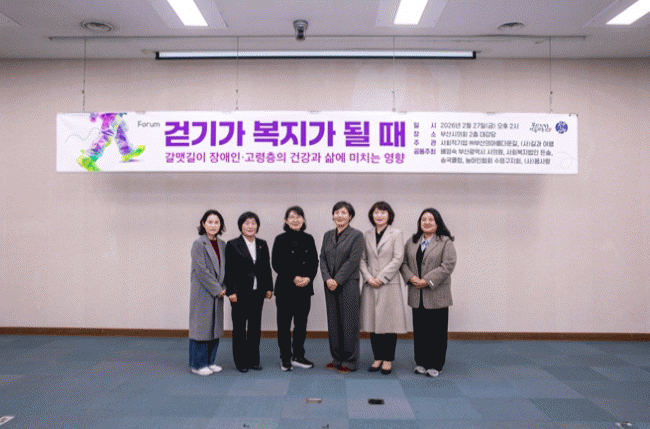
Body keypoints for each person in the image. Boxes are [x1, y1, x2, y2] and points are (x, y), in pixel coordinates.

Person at [401, 208, 457, 378]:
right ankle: (421, 362)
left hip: (436, 294)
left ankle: (436, 364)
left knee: (437, 332)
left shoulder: (445, 242)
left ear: (437, 223)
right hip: (416, 294)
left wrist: (427, 280)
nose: (426, 222)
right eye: (423, 219)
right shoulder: (412, 241)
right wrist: (411, 278)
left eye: (431, 220)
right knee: (420, 331)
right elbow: (403, 262)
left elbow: (448, 265)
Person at [360, 201, 407, 375]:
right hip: (370, 284)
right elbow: (362, 259)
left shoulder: (396, 233)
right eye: (376, 213)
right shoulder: (367, 234)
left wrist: (380, 278)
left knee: (389, 324)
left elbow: (398, 258)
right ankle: (377, 357)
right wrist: (368, 278)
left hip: (388, 284)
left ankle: (388, 359)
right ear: (372, 215)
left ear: (389, 215)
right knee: (373, 323)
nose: (379, 216)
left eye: (383, 213)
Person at [225, 211, 273, 372]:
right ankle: (241, 362)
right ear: (241, 226)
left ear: (257, 226)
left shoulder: (262, 244)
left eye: (253, 223)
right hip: (239, 293)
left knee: (254, 328)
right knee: (239, 329)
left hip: (257, 293)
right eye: (246, 223)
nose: (250, 226)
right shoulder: (232, 244)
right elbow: (229, 270)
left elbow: (266, 267)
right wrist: (231, 291)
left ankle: (254, 360)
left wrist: (269, 287)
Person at [272, 206, 319, 371]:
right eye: (291, 217)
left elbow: (314, 262)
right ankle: (285, 358)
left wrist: (309, 278)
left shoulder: (309, 238)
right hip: (285, 288)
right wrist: (293, 277)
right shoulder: (280, 239)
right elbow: (276, 263)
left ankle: (298, 356)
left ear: (303, 220)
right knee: (284, 325)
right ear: (286, 221)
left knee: (301, 325)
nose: (295, 220)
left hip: (304, 288)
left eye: (299, 217)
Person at [320, 201, 364, 373]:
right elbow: (322, 258)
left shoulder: (357, 235)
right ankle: (337, 358)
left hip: (348, 284)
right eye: (337, 212)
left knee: (349, 322)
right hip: (329, 284)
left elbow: (353, 260)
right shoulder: (327, 235)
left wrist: (337, 280)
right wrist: (327, 278)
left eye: (344, 213)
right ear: (333, 216)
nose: (339, 215)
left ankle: (350, 361)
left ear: (350, 216)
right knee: (334, 322)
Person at [189, 209, 227, 376]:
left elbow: (225, 269)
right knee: (201, 328)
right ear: (203, 224)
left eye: (216, 222)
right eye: (210, 222)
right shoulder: (199, 244)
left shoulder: (222, 244)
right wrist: (217, 289)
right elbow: (201, 271)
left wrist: (224, 287)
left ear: (221, 225)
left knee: (214, 327)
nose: (213, 225)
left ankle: (210, 361)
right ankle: (197, 364)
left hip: (218, 291)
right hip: (204, 291)